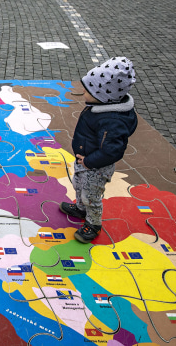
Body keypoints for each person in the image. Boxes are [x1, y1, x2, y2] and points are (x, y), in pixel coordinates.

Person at [59, 57, 138, 243]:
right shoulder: (101, 107)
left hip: (96, 167)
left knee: (91, 195)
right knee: (78, 185)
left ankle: (93, 224)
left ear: (103, 96)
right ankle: (80, 208)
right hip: (85, 160)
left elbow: (112, 151)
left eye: (88, 89)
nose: (84, 91)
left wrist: (88, 162)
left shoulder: (112, 120)